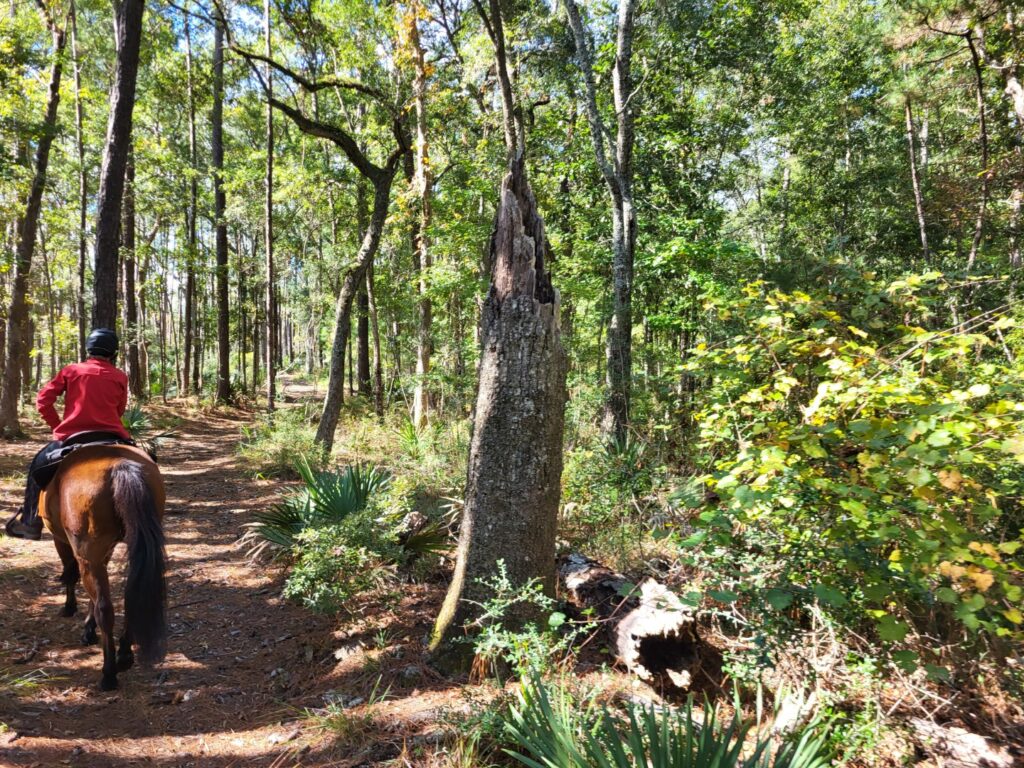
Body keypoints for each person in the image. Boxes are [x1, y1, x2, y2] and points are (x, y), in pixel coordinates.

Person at [4, 328, 131, 540]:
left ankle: (30, 523)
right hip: (112, 435)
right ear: (113, 352)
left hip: (73, 436)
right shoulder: (120, 376)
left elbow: (43, 400)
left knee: (38, 466)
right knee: (145, 464)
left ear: (89, 349)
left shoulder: (71, 371)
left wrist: (58, 426)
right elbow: (119, 409)